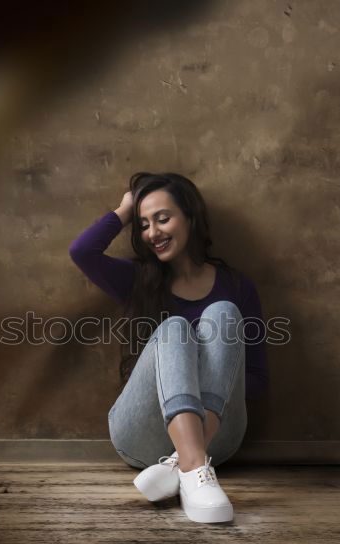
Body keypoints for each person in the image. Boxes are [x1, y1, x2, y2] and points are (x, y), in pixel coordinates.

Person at [69, 172, 269, 523]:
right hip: (142, 432)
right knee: (175, 328)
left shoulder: (237, 287)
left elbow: (256, 379)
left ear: (191, 217)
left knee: (223, 313)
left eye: (163, 218)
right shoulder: (138, 280)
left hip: (217, 437)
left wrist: (210, 378)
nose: (152, 233)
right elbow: (82, 252)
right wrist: (125, 208)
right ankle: (193, 467)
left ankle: (185, 462)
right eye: (143, 224)